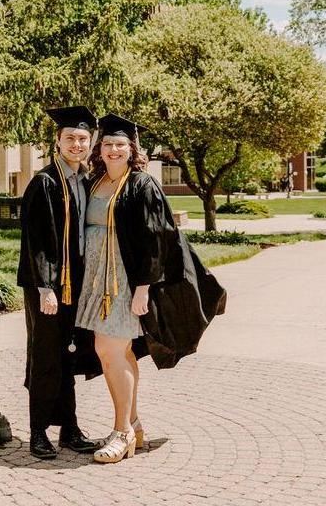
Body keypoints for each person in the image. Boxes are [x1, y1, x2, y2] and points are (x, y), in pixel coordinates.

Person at [76, 113, 227, 464]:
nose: (113, 149)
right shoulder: (95, 182)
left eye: (120, 144)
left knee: (109, 350)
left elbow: (156, 238)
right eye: (108, 144)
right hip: (97, 280)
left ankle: (121, 432)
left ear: (132, 148)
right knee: (115, 353)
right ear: (100, 148)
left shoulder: (141, 184)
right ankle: (133, 424)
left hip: (125, 283)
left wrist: (143, 287)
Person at [17, 106, 100, 459]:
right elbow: (35, 240)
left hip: (76, 284)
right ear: (58, 141)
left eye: (82, 139)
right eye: (70, 139)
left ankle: (69, 428)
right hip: (48, 287)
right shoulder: (46, 182)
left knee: (70, 354)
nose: (77, 145)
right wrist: (46, 288)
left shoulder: (85, 181)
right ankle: (38, 431)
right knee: (46, 354)